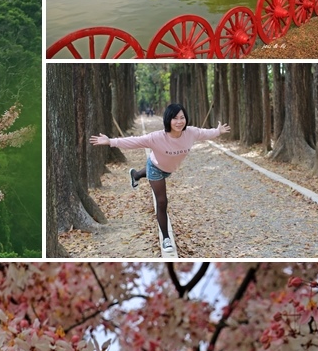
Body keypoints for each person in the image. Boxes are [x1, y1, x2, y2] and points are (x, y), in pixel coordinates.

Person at [89, 103, 230, 253]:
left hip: (169, 169)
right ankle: (166, 239)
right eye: (175, 118)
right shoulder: (156, 137)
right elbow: (135, 141)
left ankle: (135, 175)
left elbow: (205, 133)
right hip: (155, 167)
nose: (179, 121)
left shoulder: (191, 132)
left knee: (152, 173)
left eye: (182, 118)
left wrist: (218, 131)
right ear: (168, 120)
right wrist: (111, 141)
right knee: (162, 201)